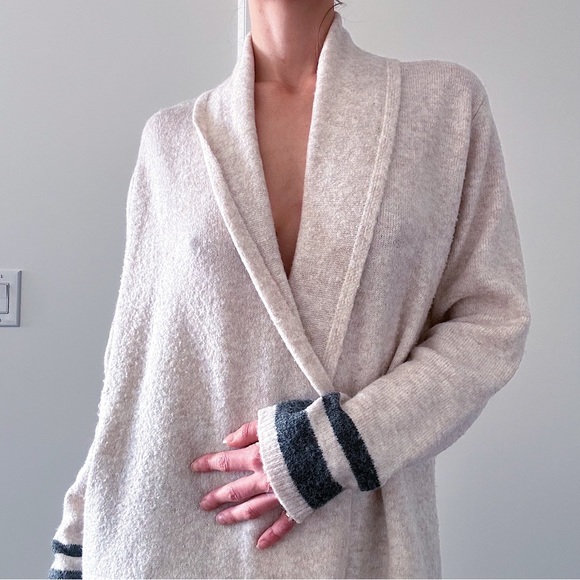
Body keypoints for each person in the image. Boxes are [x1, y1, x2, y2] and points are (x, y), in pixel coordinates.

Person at [48, 1, 532, 578]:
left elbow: (491, 321)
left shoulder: (443, 106)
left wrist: (335, 448)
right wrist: (78, 536)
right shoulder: (170, 139)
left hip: (357, 537)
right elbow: (134, 367)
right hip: (167, 537)